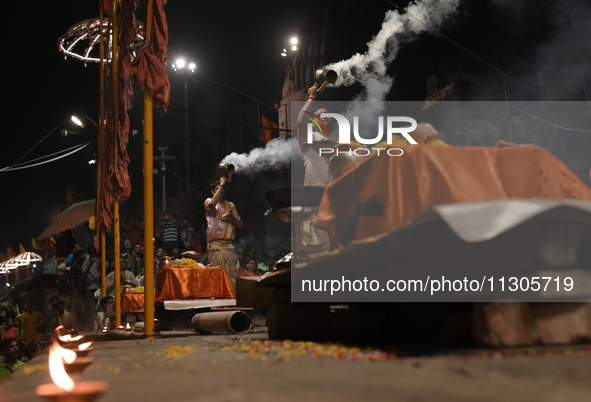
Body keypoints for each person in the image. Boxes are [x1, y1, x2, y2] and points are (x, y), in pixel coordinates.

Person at [205, 176, 243, 294]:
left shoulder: (231, 205)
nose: (222, 192)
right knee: (219, 273)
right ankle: (220, 301)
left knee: (233, 274)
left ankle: (233, 300)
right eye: (218, 190)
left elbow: (240, 225)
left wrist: (232, 218)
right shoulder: (209, 202)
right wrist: (222, 183)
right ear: (213, 192)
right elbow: (211, 205)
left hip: (229, 246)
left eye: (223, 190)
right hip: (216, 246)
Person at [296, 86, 338, 187]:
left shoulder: (339, 139)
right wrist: (311, 97)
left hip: (334, 191)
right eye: (318, 116)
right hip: (313, 192)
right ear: (313, 123)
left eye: (326, 114)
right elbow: (301, 122)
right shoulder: (309, 137)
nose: (323, 117)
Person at [69, 248, 87, 330]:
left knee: (86, 307)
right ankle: (80, 325)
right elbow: (72, 279)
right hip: (78, 289)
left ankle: (85, 324)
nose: (83, 256)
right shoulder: (75, 267)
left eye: (83, 255)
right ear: (77, 257)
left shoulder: (86, 265)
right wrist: (74, 291)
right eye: (81, 255)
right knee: (78, 308)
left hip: (86, 288)